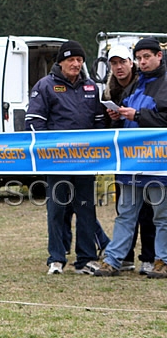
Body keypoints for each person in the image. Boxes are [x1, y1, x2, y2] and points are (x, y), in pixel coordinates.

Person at [25, 40, 105, 275]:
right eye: (71, 59)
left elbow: (100, 123)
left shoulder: (91, 88)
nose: (76, 64)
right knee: (57, 210)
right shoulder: (45, 85)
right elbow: (34, 122)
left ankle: (86, 259)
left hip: (86, 161)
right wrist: (52, 147)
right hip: (57, 161)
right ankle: (57, 258)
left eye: (79, 60)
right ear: (60, 62)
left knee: (86, 209)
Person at [94, 37, 167, 278]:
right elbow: (126, 120)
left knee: (161, 215)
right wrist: (116, 115)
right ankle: (114, 260)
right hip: (130, 162)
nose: (142, 62)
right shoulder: (134, 86)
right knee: (126, 213)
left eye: (147, 57)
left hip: (158, 163)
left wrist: (138, 115)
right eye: (139, 58)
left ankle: (162, 260)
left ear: (159, 56)